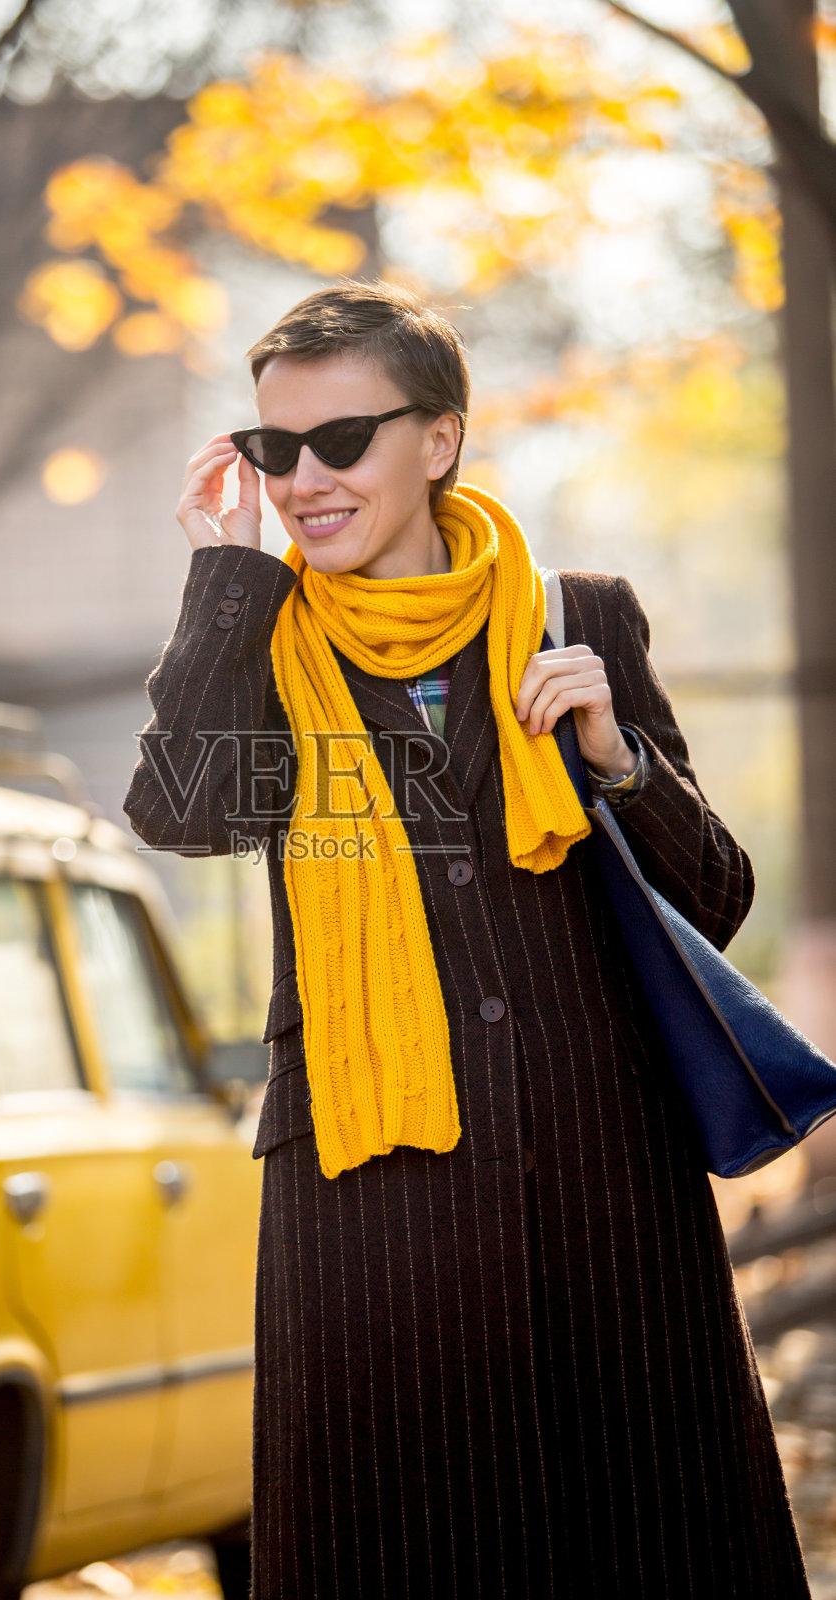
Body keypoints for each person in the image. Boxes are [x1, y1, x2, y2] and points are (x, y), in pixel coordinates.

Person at [122, 280, 809, 1598]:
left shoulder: (581, 618)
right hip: (372, 1212)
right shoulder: (262, 639)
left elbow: (714, 895)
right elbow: (183, 810)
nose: (303, 481)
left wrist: (616, 758)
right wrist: (222, 577)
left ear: (439, 439)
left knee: (647, 1544)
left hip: (601, 1194)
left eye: (340, 442)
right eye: (274, 450)